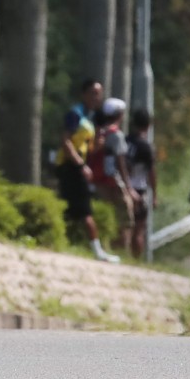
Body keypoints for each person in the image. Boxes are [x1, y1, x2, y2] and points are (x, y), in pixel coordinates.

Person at [54, 79, 120, 263]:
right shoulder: (75, 114)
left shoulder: (89, 117)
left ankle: (63, 241)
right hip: (70, 166)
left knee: (71, 207)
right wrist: (81, 165)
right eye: (93, 92)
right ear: (84, 94)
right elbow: (66, 141)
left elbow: (84, 147)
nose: (96, 97)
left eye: (99, 93)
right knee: (85, 210)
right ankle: (98, 251)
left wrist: (96, 147)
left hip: (77, 166)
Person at [88, 97, 136, 256]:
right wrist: (128, 186)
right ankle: (121, 251)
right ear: (119, 115)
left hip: (99, 181)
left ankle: (106, 246)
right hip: (114, 182)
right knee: (124, 219)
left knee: (107, 216)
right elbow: (120, 162)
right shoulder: (116, 135)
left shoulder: (99, 133)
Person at [125, 108, 156, 260]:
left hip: (123, 187)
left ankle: (123, 256)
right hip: (139, 189)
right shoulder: (145, 146)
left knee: (124, 225)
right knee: (138, 229)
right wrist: (155, 195)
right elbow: (151, 173)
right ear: (148, 125)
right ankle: (136, 260)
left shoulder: (126, 140)